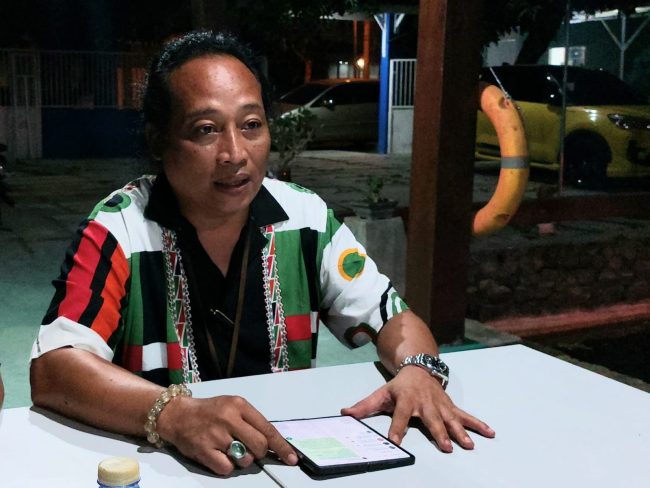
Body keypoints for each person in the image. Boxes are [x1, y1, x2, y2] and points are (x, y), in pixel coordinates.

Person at [30, 31, 494, 476]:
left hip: (286, 462)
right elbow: (54, 367)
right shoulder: (120, 228)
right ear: (158, 140)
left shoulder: (304, 219)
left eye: (251, 125)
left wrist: (419, 370)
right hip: (164, 467)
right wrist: (171, 413)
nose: (235, 153)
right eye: (206, 130)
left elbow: (391, 316)